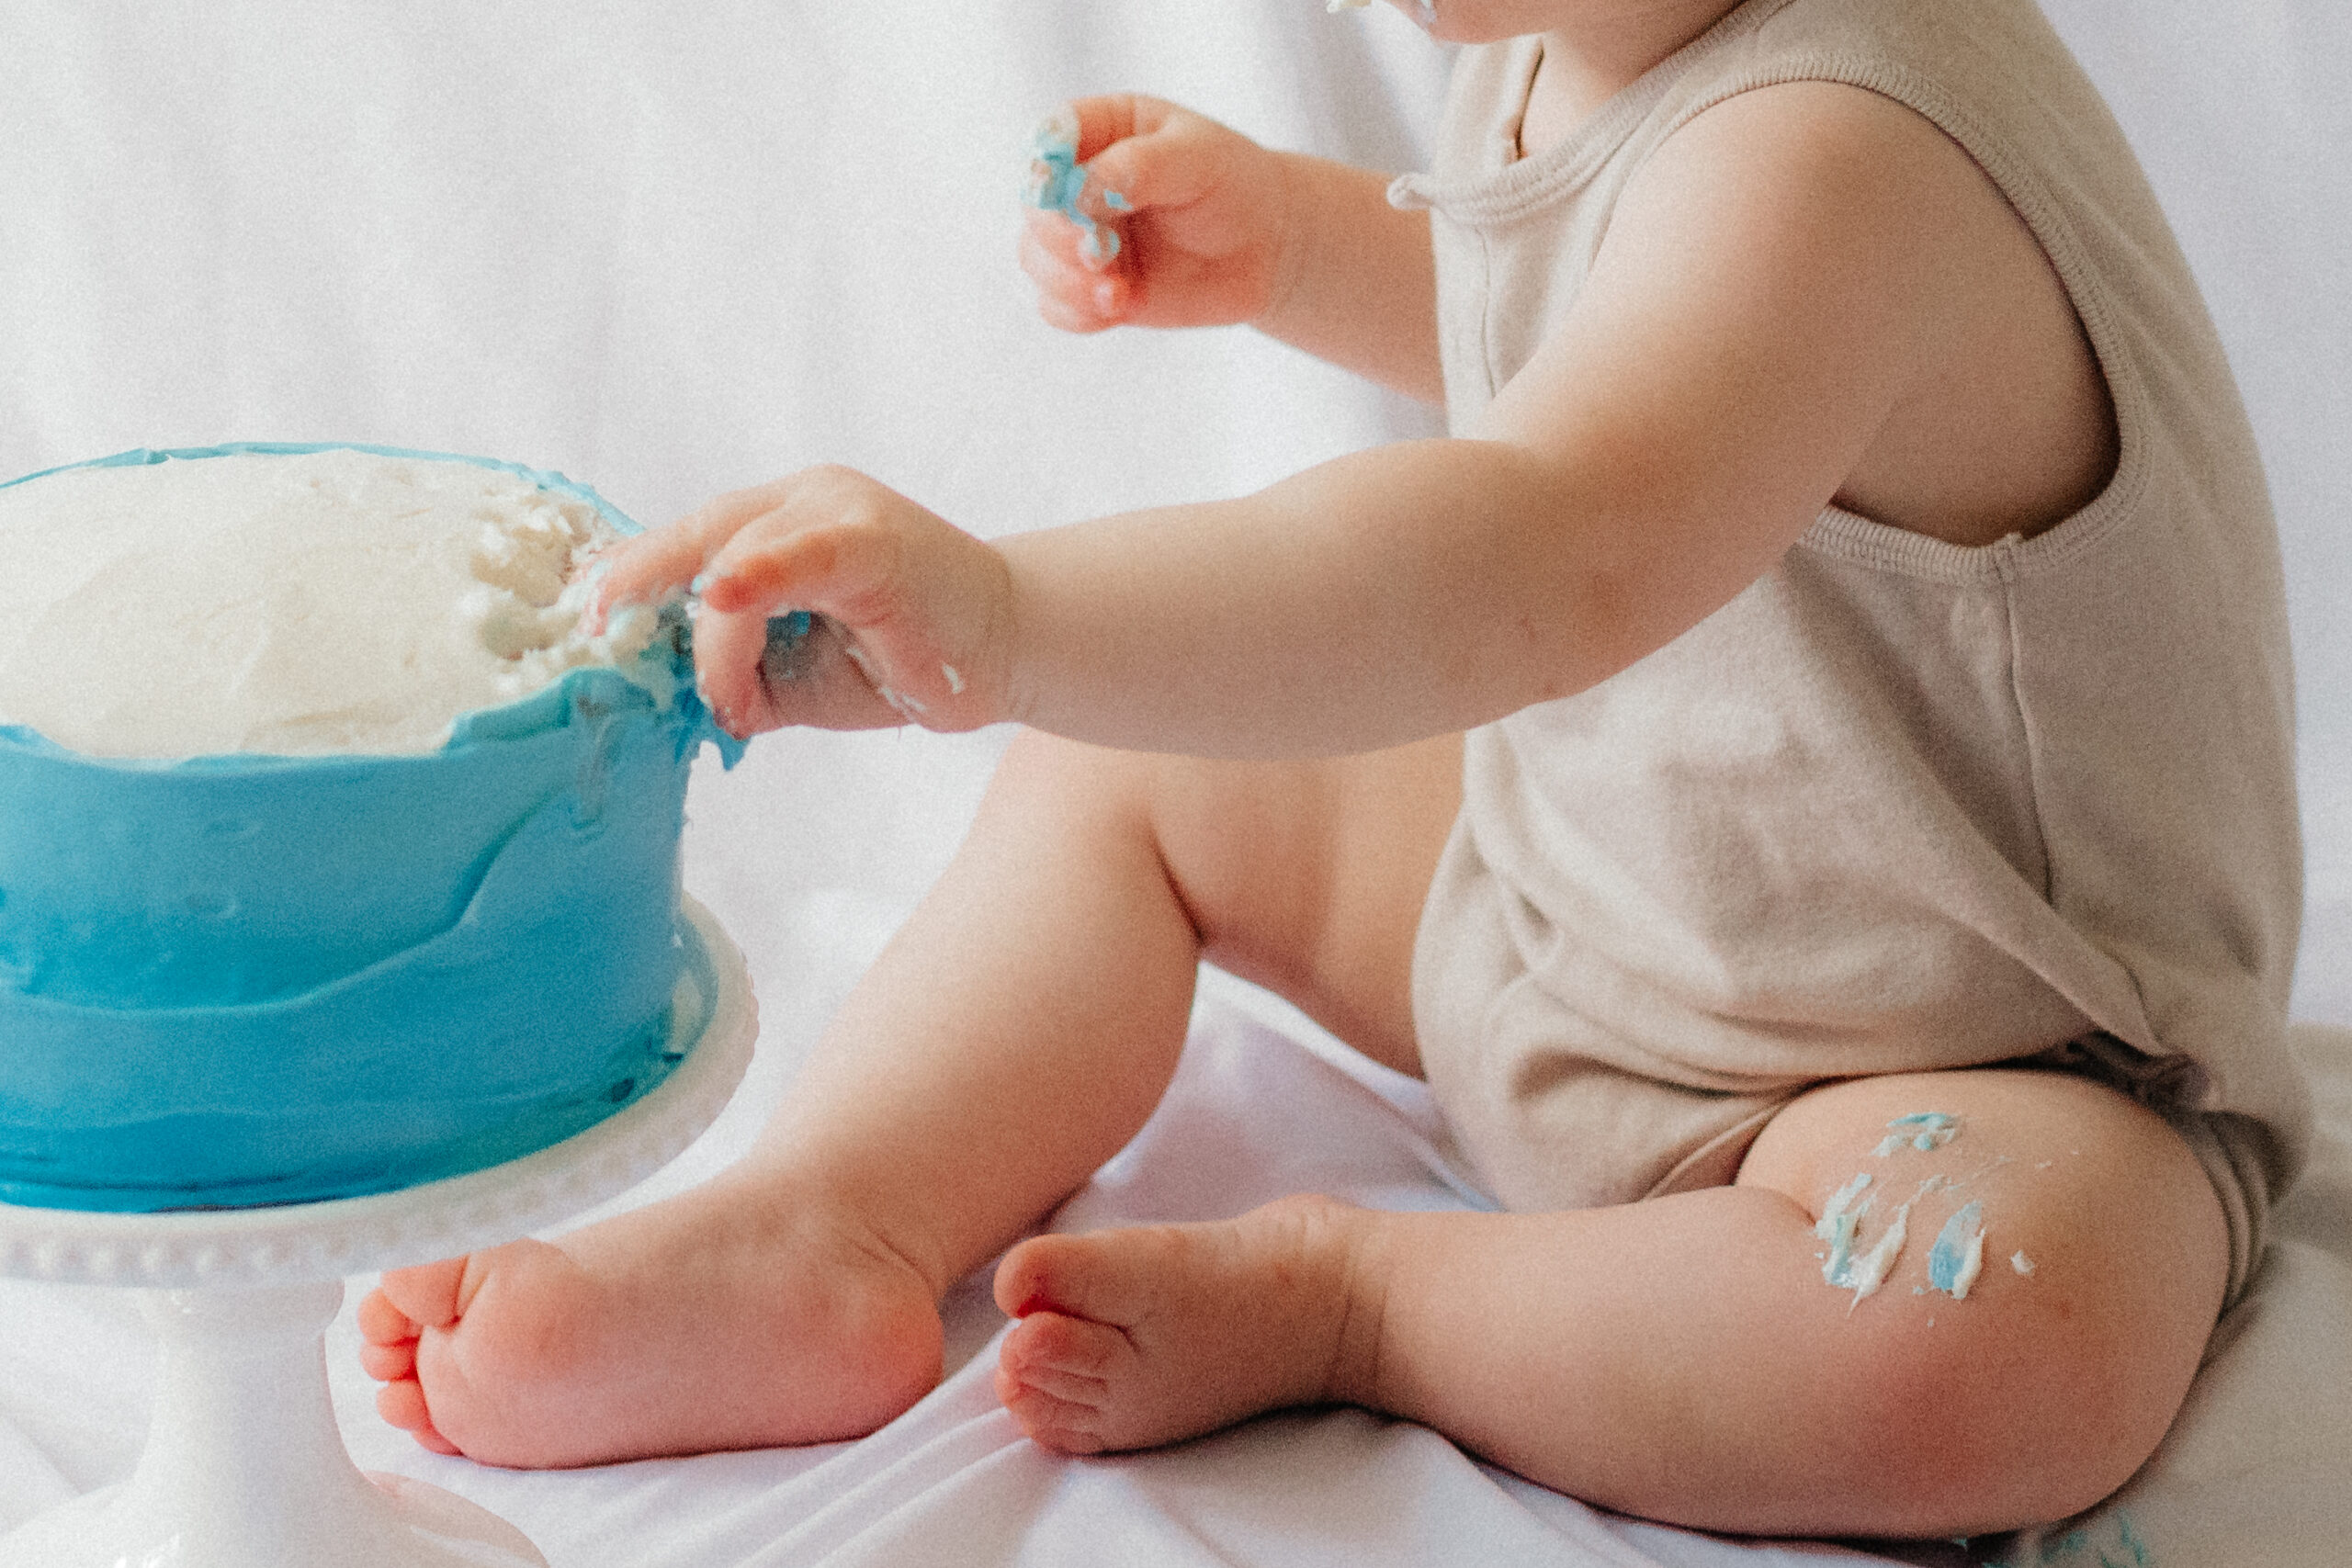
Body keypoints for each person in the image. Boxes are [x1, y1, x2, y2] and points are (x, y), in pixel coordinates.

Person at [357, 0, 2309, 1540]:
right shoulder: (1585, 40)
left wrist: (1001, 614)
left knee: (1998, 1342)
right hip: (1579, 900)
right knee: (1118, 776)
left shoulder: (1841, 157)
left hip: (1954, 1067)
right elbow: (1595, 345)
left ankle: (1362, 1303)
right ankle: (832, 1219)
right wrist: (1297, 239)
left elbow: (1550, 536)